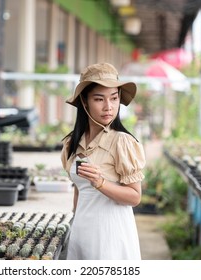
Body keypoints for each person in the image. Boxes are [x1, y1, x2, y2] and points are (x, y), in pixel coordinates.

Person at [61, 62, 146, 260]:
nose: (109, 107)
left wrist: (101, 183)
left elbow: (135, 197)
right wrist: (74, 222)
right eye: (99, 99)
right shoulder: (72, 142)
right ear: (84, 101)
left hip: (111, 236)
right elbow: (79, 188)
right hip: (82, 231)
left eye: (114, 98)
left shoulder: (122, 142)